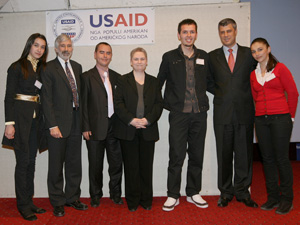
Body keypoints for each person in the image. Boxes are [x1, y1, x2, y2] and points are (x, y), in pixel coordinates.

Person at [158, 19, 214, 211]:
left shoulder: (204, 57)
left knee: (197, 155)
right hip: (179, 115)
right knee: (176, 155)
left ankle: (193, 192)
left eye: (192, 32)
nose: (188, 35)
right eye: (185, 32)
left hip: (199, 114)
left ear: (196, 34)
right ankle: (173, 194)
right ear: (178, 34)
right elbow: (158, 83)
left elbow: (211, 83)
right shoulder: (169, 57)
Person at [209, 18, 257, 208]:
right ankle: (226, 192)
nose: (226, 35)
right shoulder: (212, 56)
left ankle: (243, 192)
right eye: (222, 32)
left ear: (235, 31)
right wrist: (223, 93)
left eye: (229, 31)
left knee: (244, 154)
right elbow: (208, 81)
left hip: (245, 112)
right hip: (222, 113)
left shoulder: (249, 54)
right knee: (224, 154)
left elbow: (257, 75)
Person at [250, 37, 299, 215]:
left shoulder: (280, 68)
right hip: (261, 120)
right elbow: (255, 98)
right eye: (254, 51)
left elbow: (293, 93)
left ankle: (287, 199)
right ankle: (273, 197)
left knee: (281, 159)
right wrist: (260, 114)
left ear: (268, 49)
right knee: (267, 159)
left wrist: (291, 118)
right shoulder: (253, 74)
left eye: (260, 50)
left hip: (281, 119)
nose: (257, 54)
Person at [2, 33, 48, 221]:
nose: (39, 49)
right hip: (19, 121)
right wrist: (9, 124)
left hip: (36, 121)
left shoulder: (43, 68)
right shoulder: (16, 66)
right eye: (36, 45)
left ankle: (29, 202)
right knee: (22, 164)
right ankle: (22, 205)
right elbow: (8, 97)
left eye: (43, 47)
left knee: (31, 162)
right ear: (29, 45)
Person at [41, 34, 87, 217]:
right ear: (56, 49)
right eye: (63, 46)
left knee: (74, 163)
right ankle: (57, 201)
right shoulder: (48, 68)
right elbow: (46, 99)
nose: (66, 49)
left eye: (69, 45)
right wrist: (52, 125)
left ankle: (72, 198)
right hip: (58, 125)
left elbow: (80, 96)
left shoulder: (77, 67)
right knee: (56, 165)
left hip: (76, 121)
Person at [114, 47, 163, 212]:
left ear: (147, 62)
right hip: (129, 130)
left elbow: (158, 104)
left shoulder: (154, 81)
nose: (139, 62)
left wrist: (148, 120)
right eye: (136, 59)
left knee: (146, 167)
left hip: (148, 130)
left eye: (142, 59)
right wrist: (132, 120)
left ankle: (146, 200)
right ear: (131, 62)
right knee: (131, 167)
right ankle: (133, 201)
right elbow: (118, 104)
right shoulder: (122, 80)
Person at [81, 42, 123, 207]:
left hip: (115, 128)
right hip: (94, 128)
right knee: (95, 165)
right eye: (102, 52)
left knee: (116, 165)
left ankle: (116, 194)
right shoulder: (86, 77)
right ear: (95, 54)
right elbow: (83, 104)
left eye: (108, 53)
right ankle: (96, 196)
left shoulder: (118, 77)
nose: (105, 56)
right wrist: (85, 127)